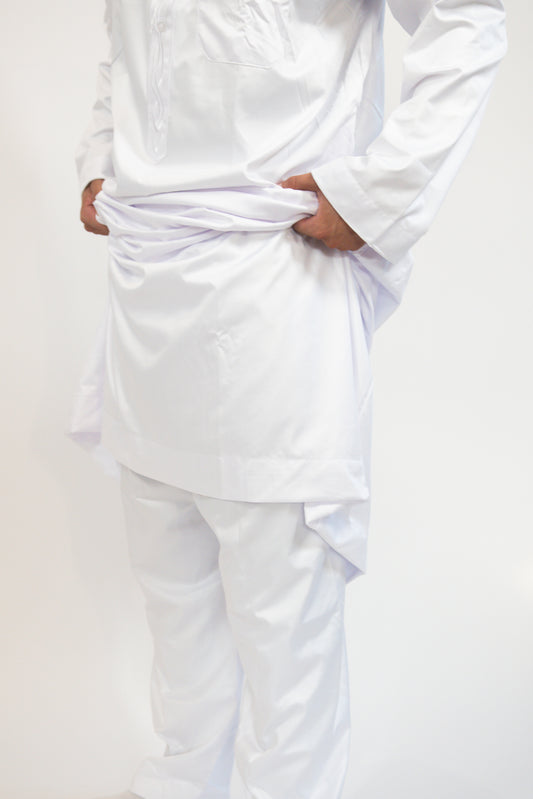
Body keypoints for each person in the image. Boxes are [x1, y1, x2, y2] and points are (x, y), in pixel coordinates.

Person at [72, 2, 507, 799]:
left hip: (271, 286)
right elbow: (127, 48)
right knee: (174, 600)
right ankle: (181, 783)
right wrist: (101, 158)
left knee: (283, 619)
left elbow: (464, 15)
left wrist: (379, 191)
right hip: (145, 291)